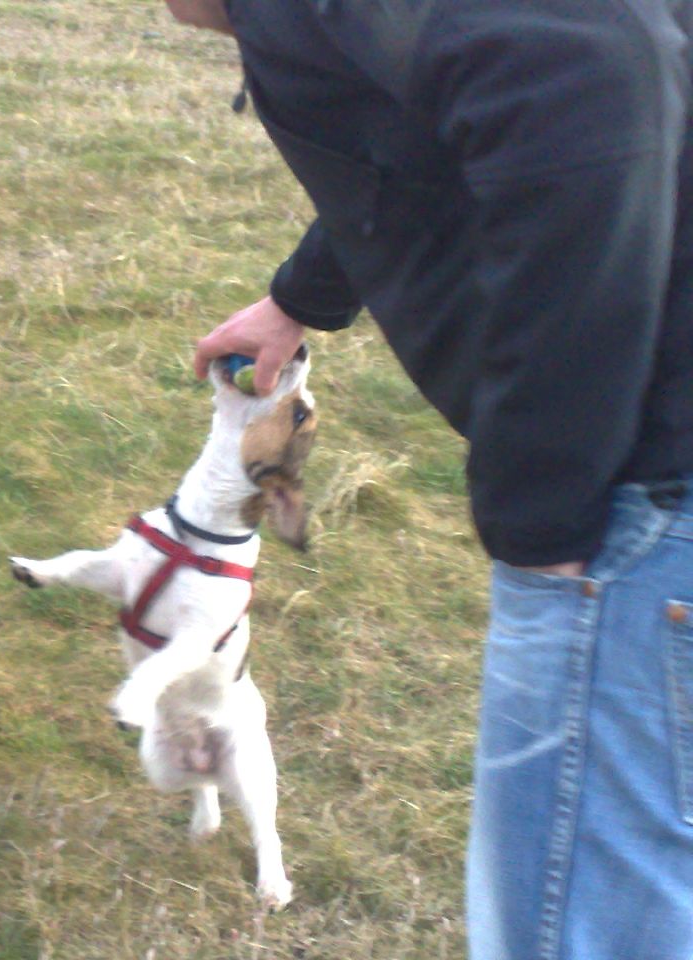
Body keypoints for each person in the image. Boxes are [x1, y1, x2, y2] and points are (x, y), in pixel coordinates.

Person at [163, 1, 693, 958]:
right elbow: (422, 131)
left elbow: (598, 62)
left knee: (576, 927)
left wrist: (542, 522)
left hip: (637, 511)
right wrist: (299, 297)